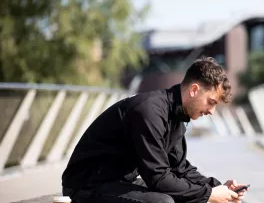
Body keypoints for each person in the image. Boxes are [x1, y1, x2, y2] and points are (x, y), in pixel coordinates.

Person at [62, 57, 248, 203]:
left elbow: (180, 169)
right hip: (87, 185)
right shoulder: (149, 111)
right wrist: (209, 194)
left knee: (186, 196)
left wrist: (218, 187)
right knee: (163, 201)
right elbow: (157, 177)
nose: (211, 111)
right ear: (194, 90)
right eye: (211, 102)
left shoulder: (176, 116)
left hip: (119, 182)